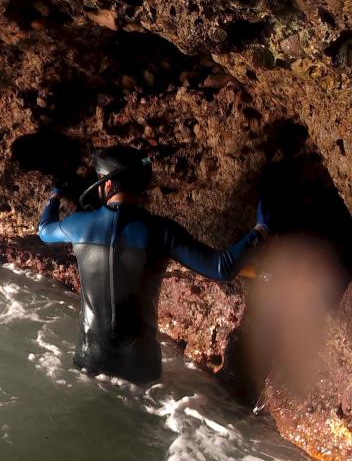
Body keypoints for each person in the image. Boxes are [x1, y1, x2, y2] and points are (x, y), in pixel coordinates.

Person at [37, 145, 271, 384]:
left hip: (90, 361)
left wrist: (55, 195)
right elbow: (222, 268)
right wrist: (261, 229)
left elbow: (44, 230)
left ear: (107, 185)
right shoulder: (162, 231)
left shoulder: (79, 224)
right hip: (141, 368)